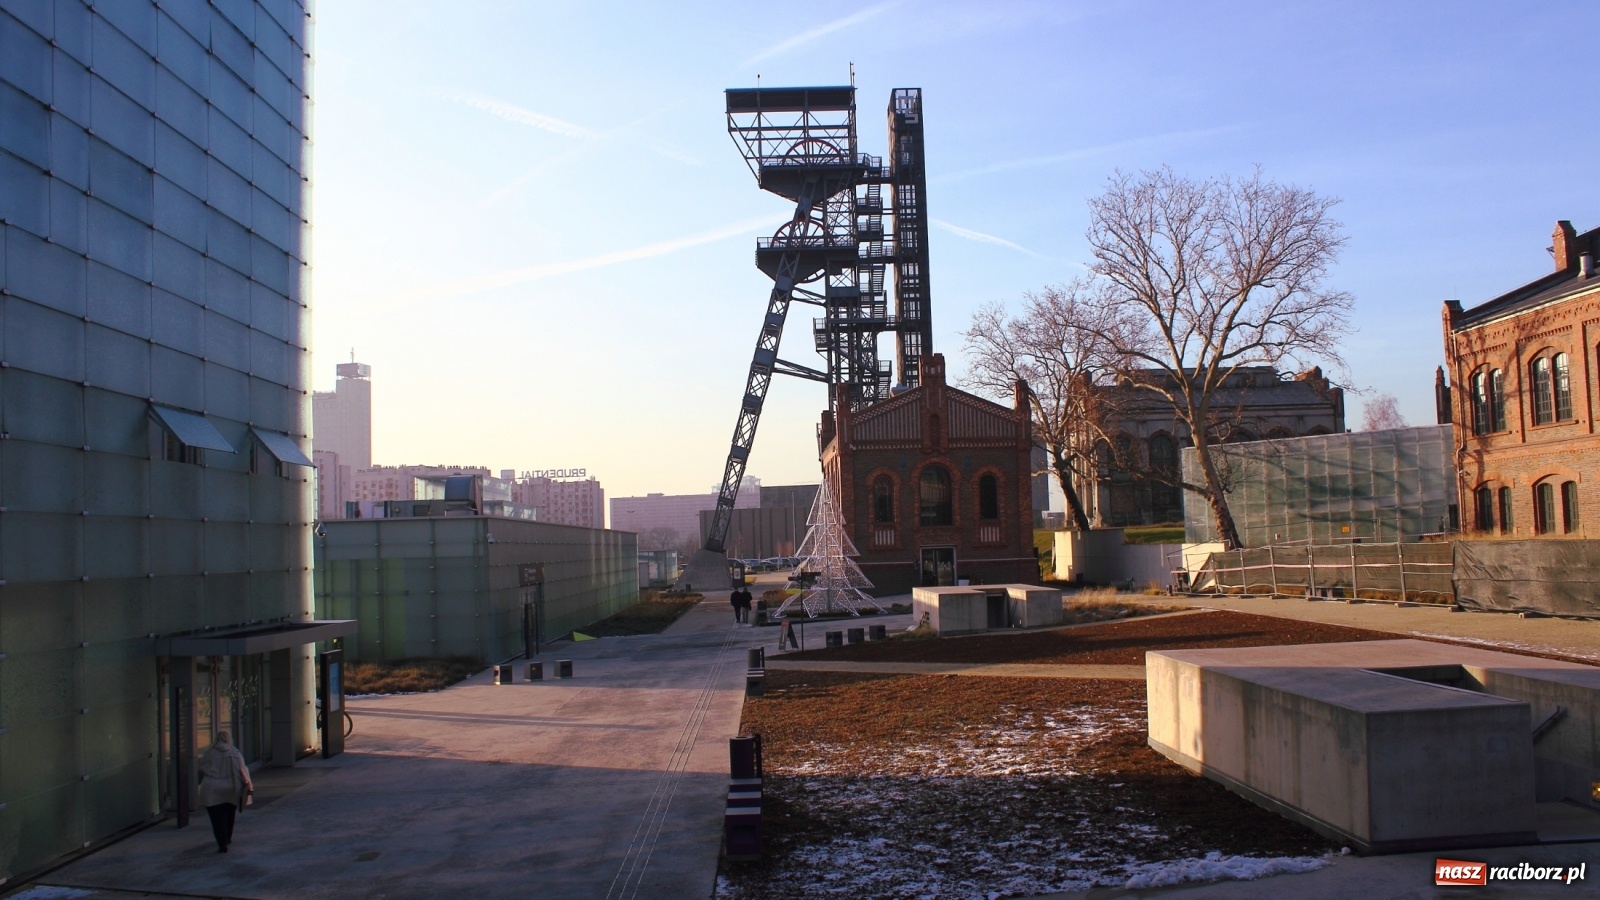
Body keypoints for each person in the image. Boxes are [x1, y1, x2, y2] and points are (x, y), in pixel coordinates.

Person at [198, 730, 253, 853]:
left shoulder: (210, 753)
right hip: (231, 787)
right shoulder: (235, 753)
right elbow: (243, 770)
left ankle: (221, 842)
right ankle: (227, 837)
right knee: (229, 814)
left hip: (212, 788)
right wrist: (249, 787)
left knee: (216, 818)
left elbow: (202, 767)